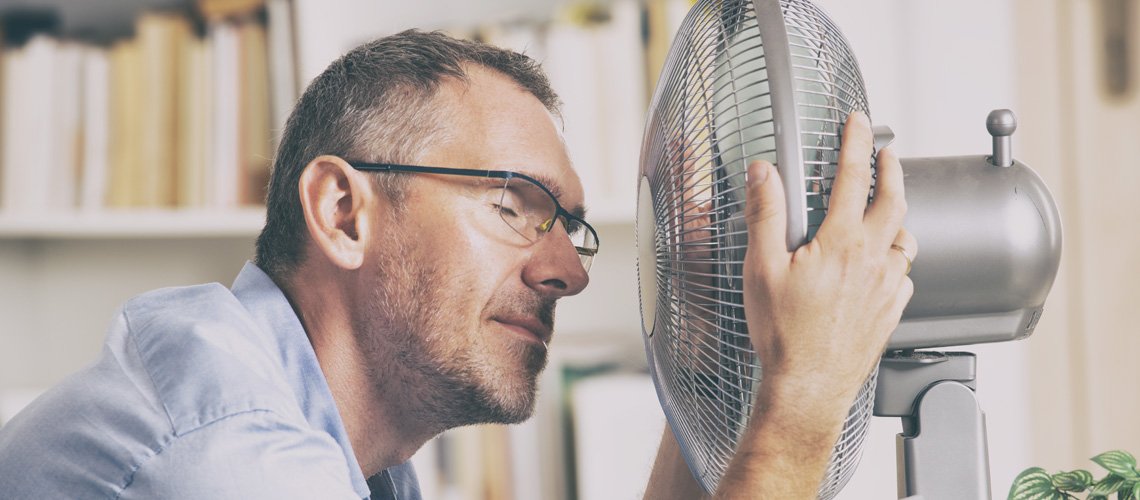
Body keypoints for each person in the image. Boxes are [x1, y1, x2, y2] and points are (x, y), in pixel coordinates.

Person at [0, 30, 914, 499]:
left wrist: (725, 373)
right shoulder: (231, 459)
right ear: (342, 212)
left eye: (572, 228)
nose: (570, 272)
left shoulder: (356, 453)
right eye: (515, 205)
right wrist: (799, 403)